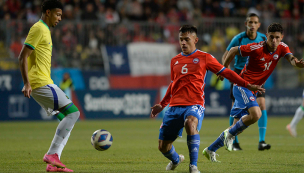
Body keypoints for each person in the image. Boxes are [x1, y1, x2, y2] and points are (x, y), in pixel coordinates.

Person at [150, 25, 264, 173]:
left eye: (186, 39)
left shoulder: (205, 57)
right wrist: (162, 104)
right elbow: (173, 84)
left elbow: (227, 73)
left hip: (194, 104)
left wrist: (247, 84)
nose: (183, 43)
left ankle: (193, 166)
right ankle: (176, 159)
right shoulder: (175, 60)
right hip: (174, 107)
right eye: (181, 40)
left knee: (190, 123)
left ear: (195, 40)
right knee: (163, 146)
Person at [202, 23, 304, 163]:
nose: (274, 41)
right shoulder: (256, 48)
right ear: (267, 36)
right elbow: (232, 50)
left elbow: (291, 58)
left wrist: (296, 63)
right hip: (242, 85)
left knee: (238, 127)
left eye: (277, 38)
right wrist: (223, 70)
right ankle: (229, 135)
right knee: (256, 114)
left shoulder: (282, 47)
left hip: (253, 89)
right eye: (271, 37)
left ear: (282, 38)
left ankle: (210, 149)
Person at [18, 0, 78, 172]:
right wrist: (27, 82)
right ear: (48, 12)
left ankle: (53, 163)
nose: (60, 18)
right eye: (58, 14)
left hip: (43, 81)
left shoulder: (45, 30)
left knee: (67, 120)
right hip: (40, 82)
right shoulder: (38, 28)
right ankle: (52, 154)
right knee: (73, 113)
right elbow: (22, 56)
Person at [222, 13, 269, 151]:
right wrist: (228, 73)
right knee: (236, 108)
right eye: (250, 22)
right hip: (239, 75)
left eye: (255, 22)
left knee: (262, 104)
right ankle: (234, 142)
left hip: (256, 76)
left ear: (259, 25)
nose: (252, 25)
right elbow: (227, 55)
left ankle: (262, 141)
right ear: (246, 24)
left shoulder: (263, 38)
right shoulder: (238, 38)